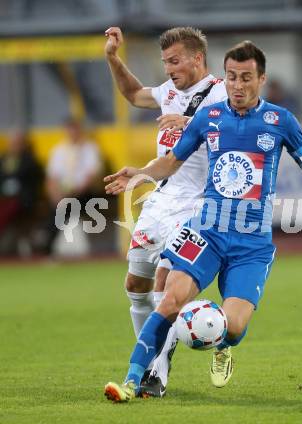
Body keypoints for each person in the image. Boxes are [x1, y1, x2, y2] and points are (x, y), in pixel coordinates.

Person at [103, 40, 302, 403]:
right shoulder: (209, 118)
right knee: (168, 299)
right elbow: (172, 162)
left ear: (261, 79)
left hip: (251, 245)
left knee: (232, 327)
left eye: (246, 78)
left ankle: (222, 345)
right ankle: (134, 379)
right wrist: (142, 172)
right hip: (207, 232)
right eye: (231, 77)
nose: (237, 85)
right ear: (224, 77)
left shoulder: (280, 121)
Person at [104, 26, 227, 397]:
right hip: (162, 197)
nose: (169, 68)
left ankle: (154, 373)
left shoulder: (222, 92)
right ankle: (155, 360)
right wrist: (112, 57)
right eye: (165, 62)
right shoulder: (168, 92)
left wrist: (190, 123)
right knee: (135, 285)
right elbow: (131, 93)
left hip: (199, 201)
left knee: (164, 283)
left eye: (175, 61)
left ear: (197, 58)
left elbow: (236, 132)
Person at [43, 118, 102, 255]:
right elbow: (52, 178)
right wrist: (55, 196)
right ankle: (45, 240)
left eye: (74, 129)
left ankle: (46, 243)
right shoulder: (58, 150)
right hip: (63, 196)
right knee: (60, 207)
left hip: (85, 194)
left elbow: (91, 177)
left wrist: (72, 192)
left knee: (64, 208)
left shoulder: (90, 148)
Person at [0, 130, 42, 255]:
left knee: (8, 209)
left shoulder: (30, 161)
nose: (14, 146)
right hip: (3, 198)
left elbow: (32, 183)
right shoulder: (3, 159)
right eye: (12, 143)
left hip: (22, 199)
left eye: (17, 143)